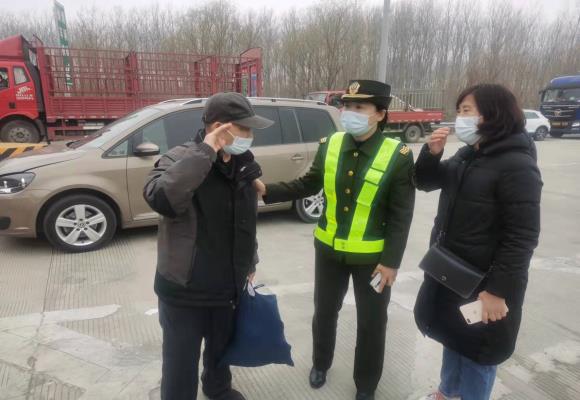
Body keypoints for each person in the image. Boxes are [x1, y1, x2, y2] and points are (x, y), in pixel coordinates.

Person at [254, 80, 415, 400]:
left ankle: (366, 384)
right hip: (328, 251)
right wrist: (268, 190)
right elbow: (308, 183)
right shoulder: (331, 143)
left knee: (371, 323)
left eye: (359, 107)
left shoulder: (398, 155)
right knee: (324, 313)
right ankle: (320, 363)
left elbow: (401, 215)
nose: (350, 112)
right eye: (347, 106)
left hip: (372, 259)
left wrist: (391, 262)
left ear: (380, 114)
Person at [413, 84, 542, 400]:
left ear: (493, 114)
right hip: (453, 272)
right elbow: (426, 182)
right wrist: (431, 155)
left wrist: (498, 291)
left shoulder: (517, 165)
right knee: (454, 336)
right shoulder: (468, 154)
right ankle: (447, 392)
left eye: (467, 110)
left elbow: (522, 237)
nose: (460, 118)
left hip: (486, 281)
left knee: (479, 352)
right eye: (459, 111)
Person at [143, 92, 274, 400]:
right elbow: (161, 198)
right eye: (244, 128)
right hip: (185, 290)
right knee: (180, 364)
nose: (250, 136)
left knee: (220, 350)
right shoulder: (179, 159)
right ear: (218, 127)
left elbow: (245, 220)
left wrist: (250, 262)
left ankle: (218, 389)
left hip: (228, 287)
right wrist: (206, 152)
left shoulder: (242, 164)